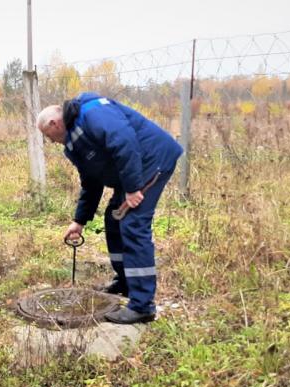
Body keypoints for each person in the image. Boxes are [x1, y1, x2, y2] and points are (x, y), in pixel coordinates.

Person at [38, 92, 183, 324]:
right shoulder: (72, 145)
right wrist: (79, 220)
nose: (51, 141)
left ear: (54, 124)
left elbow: (124, 142)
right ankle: (125, 281)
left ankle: (142, 305)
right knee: (113, 219)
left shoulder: (94, 112)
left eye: (48, 135)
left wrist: (134, 188)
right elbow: (91, 181)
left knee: (133, 224)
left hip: (151, 159)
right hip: (133, 169)